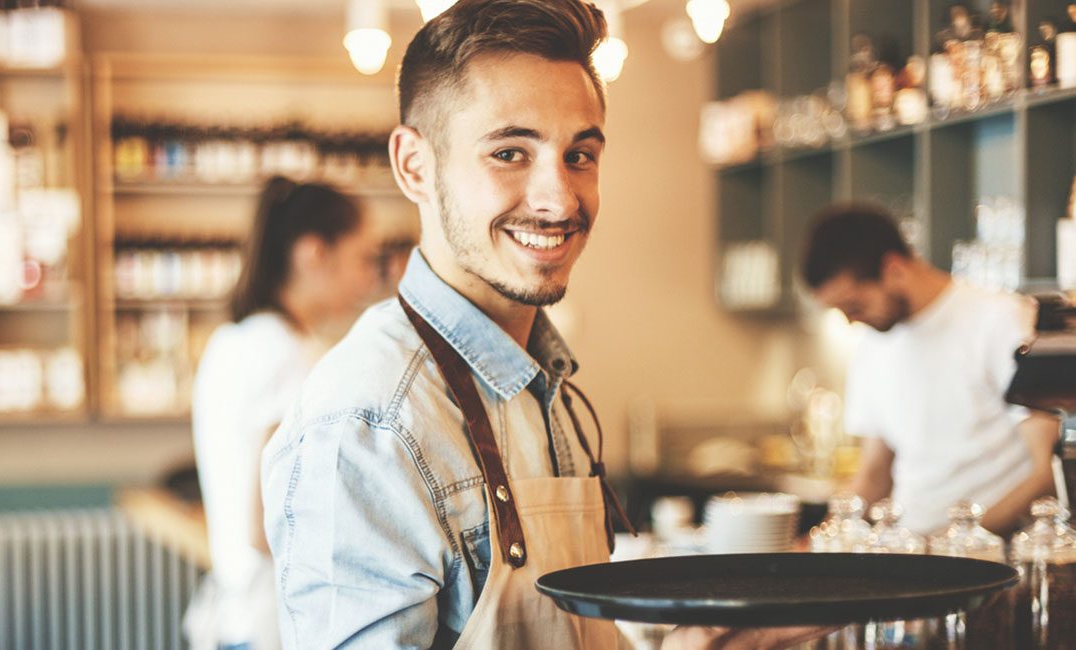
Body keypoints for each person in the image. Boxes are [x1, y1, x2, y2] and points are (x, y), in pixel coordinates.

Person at [261, 1, 830, 648]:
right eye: (509, 152)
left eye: (580, 155)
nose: (559, 200)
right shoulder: (367, 423)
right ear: (414, 166)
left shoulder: (539, 378)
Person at [185, 177, 381, 650]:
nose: (368, 280)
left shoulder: (234, 340)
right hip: (275, 622)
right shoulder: (289, 355)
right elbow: (267, 522)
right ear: (314, 253)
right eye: (362, 259)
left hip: (238, 613)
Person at [801, 203, 1059, 535]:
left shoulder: (999, 320)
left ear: (893, 268)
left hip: (992, 559)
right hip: (912, 554)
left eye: (854, 305)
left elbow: (1046, 471)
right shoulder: (872, 344)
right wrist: (822, 543)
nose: (851, 321)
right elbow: (874, 475)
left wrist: (963, 545)